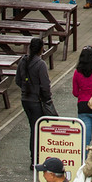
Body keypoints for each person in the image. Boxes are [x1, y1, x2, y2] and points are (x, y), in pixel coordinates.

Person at [19, 37, 55, 166]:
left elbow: (18, 80)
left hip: (25, 99)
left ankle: (34, 157)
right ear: (40, 49)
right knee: (36, 129)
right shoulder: (40, 64)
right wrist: (47, 98)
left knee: (33, 127)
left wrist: (25, 89)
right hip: (36, 100)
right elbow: (45, 85)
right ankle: (35, 158)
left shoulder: (23, 61)